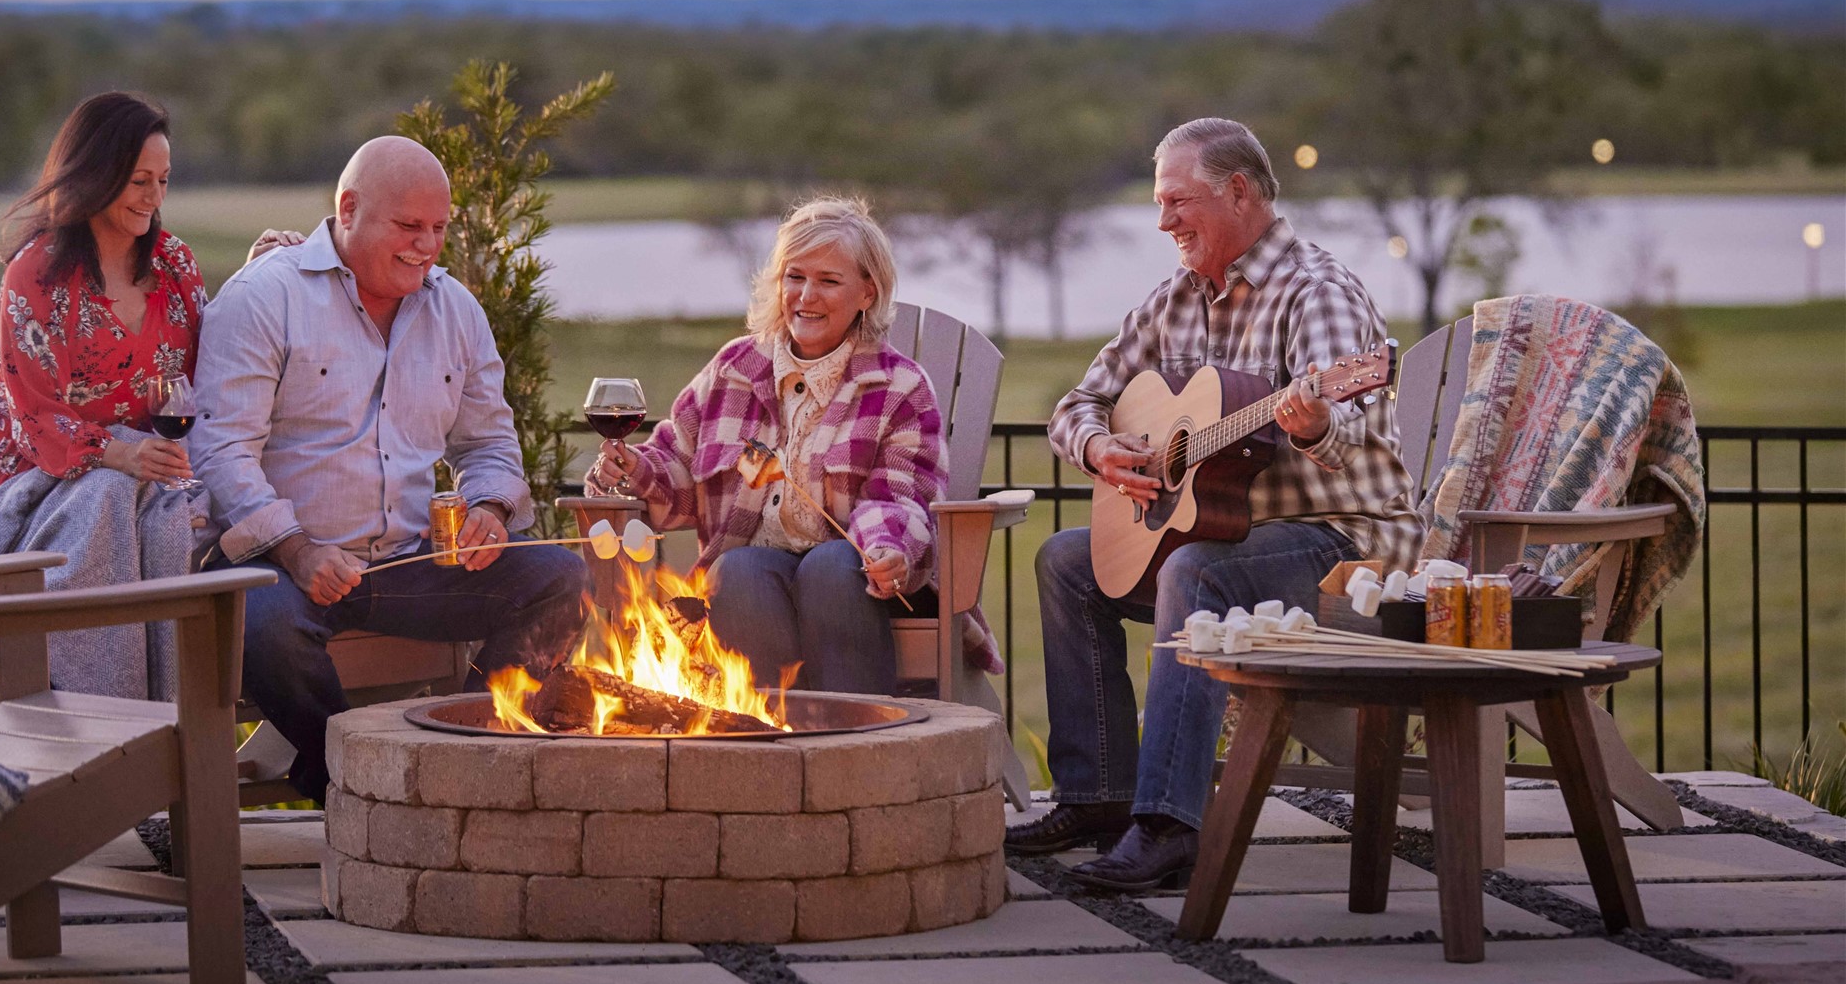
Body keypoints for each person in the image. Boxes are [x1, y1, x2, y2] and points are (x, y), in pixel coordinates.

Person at [1005, 118, 1422, 891]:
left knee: (1195, 572)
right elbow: (1077, 403)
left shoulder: (1317, 290)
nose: (1162, 222)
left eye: (1176, 201)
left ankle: (1169, 826)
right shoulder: (1176, 300)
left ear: (1238, 192)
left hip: (1346, 546)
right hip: (1238, 538)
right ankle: (1097, 797)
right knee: (1067, 561)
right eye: (1158, 203)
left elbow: (1352, 431)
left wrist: (1317, 419)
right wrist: (1102, 448)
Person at [192, 136, 587, 801]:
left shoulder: (456, 309)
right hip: (282, 565)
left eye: (438, 227)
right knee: (261, 621)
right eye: (408, 226)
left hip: (408, 564)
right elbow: (221, 451)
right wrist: (297, 548)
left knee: (562, 578)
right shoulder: (263, 297)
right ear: (347, 208)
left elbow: (489, 440)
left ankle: (464, 757)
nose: (425, 245)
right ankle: (354, 786)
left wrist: (489, 510)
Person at [587, 196, 957, 694]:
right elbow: (675, 465)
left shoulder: (899, 388)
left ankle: (856, 741)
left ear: (867, 293)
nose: (807, 295)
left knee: (828, 566)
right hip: (756, 572)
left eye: (829, 281)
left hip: (861, 579)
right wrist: (632, 467)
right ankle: (773, 745)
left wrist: (890, 550)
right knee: (736, 570)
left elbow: (900, 496)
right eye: (794, 277)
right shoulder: (735, 369)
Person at [0, 92, 210, 704]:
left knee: (166, 517)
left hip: (143, 461)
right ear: (96, 174)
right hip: (30, 460)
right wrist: (118, 455)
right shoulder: (35, 273)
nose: (153, 197)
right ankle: (66, 711)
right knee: (109, 498)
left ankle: (154, 718)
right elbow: (34, 410)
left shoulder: (176, 265)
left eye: (163, 180)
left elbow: (203, 369)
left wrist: (262, 270)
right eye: (138, 180)